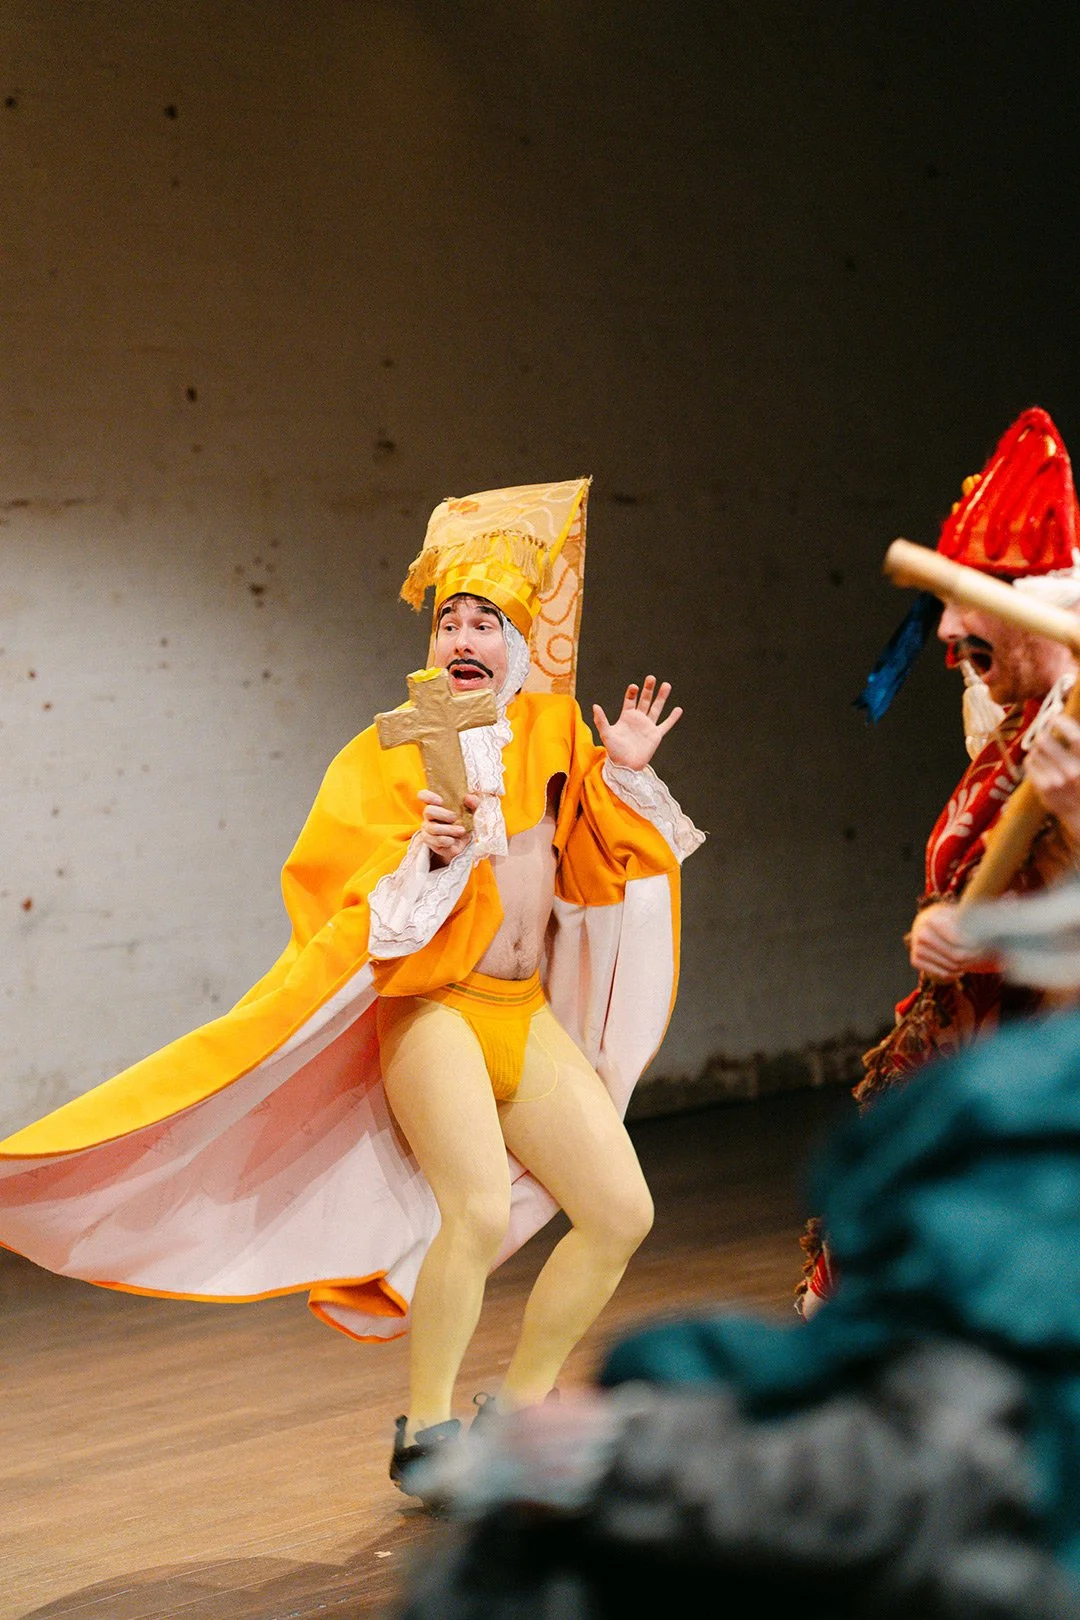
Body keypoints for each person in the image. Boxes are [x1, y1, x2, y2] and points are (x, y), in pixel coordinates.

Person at [0, 476, 704, 1499]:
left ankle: (523, 1410)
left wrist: (626, 773)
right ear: (430, 648)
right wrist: (430, 853)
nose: (463, 635)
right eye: (448, 622)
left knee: (620, 1213)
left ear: (515, 647)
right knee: (467, 1209)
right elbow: (349, 913)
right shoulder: (387, 754)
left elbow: (605, 871)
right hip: (437, 1010)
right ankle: (426, 1430)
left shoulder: (557, 739)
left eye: (485, 623)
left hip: (523, 1015)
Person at [799, 407, 1080, 1317]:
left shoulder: (1068, 740)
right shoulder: (1013, 728)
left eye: (979, 609)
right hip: (975, 1058)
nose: (954, 636)